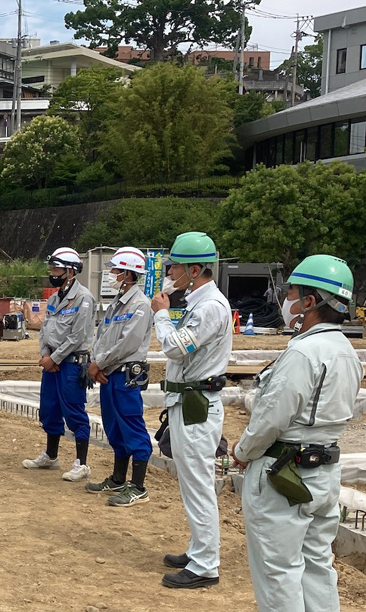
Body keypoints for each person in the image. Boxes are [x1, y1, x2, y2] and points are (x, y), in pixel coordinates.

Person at [232, 255, 362, 611]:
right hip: (323, 473)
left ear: (309, 302)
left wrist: (243, 451)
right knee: (318, 567)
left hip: (283, 475)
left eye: (291, 293)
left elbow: (272, 418)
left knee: (279, 572)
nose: (286, 302)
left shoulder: (303, 352)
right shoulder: (347, 353)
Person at [152, 231, 231, 589]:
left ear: (195, 269)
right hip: (188, 402)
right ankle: (200, 548)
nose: (171, 273)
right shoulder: (200, 303)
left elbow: (175, 348)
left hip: (198, 405)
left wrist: (161, 315)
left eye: (176, 267)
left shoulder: (211, 307)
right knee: (191, 482)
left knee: (198, 484)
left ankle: (205, 565)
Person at [84, 247, 154, 506]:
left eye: (114, 270)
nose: (110, 274)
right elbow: (101, 337)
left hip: (125, 375)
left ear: (127, 273)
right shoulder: (116, 303)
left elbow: (128, 344)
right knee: (114, 425)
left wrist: (99, 364)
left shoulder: (139, 306)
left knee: (131, 424)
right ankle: (117, 478)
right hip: (109, 374)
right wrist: (97, 364)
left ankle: (138, 486)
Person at [24, 247, 95, 482]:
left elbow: (77, 336)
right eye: (52, 268)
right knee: (49, 409)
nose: (52, 273)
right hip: (52, 364)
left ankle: (81, 463)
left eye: (57, 268)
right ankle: (51, 456)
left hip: (71, 364)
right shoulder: (55, 297)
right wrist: (46, 355)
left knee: (74, 410)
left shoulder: (84, 298)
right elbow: (45, 328)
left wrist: (53, 359)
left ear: (71, 272)